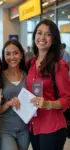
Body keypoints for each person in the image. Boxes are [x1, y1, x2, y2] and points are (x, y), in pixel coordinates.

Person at [26, 19, 70, 150]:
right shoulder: (30, 64)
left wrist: (48, 104)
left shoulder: (59, 65)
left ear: (54, 39)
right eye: (39, 33)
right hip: (33, 125)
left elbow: (67, 99)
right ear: (34, 36)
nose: (42, 37)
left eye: (48, 34)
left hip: (52, 127)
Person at [0, 39, 30, 150]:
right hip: (5, 129)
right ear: (4, 56)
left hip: (24, 129)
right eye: (8, 54)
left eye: (15, 53)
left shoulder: (28, 75)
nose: (12, 57)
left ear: (21, 54)